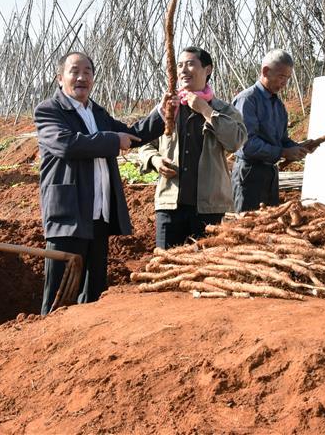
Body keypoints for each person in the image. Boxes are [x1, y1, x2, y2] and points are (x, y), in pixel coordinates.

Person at [35, 52, 170, 314]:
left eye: (87, 72)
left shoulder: (97, 112)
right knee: (59, 296)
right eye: (75, 71)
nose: (81, 77)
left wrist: (161, 113)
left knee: (93, 292)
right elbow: (66, 144)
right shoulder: (49, 110)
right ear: (60, 78)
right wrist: (112, 140)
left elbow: (132, 135)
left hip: (99, 214)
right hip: (69, 215)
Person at [139, 47, 246, 248]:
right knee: (165, 261)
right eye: (180, 65)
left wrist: (206, 111)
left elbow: (235, 141)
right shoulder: (167, 108)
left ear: (208, 70)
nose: (183, 70)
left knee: (205, 263)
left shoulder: (224, 110)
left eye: (190, 64)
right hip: (170, 204)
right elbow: (144, 143)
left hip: (209, 208)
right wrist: (155, 160)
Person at [232, 49, 307, 211]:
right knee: (247, 223)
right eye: (281, 76)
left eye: (287, 78)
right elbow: (247, 144)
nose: (284, 82)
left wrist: (300, 147)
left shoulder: (278, 105)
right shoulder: (247, 100)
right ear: (265, 71)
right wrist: (283, 152)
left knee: (270, 222)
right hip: (249, 174)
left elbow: (282, 140)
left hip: (270, 174)